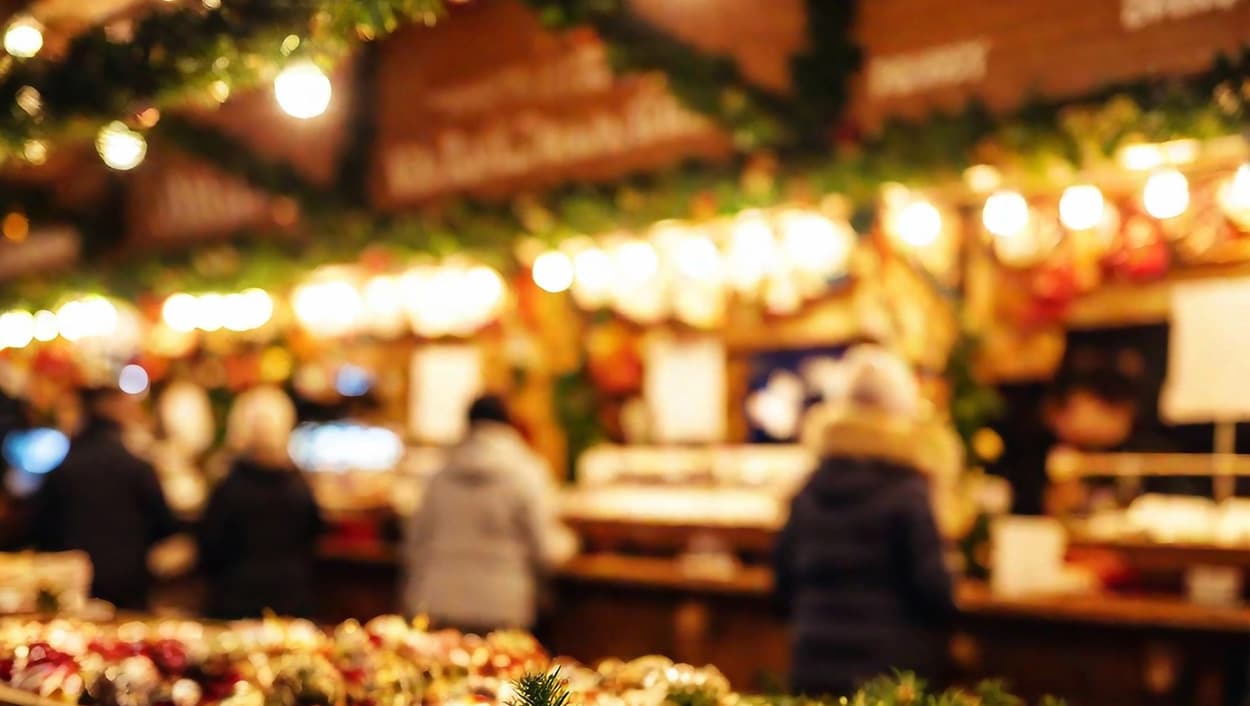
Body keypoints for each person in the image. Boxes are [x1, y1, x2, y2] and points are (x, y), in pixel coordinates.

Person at [774, 346, 955, 697]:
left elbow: (782, 584)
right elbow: (934, 589)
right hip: (891, 674)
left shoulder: (810, 486)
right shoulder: (909, 488)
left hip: (813, 665)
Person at [402, 395, 575, 634]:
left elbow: (414, 541)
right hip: (504, 607)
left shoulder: (439, 472)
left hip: (437, 602)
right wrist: (572, 543)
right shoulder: (528, 473)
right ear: (509, 423)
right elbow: (546, 549)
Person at [30, 386, 179, 611]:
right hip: (129, 584)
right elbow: (164, 524)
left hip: (75, 585)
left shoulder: (64, 468)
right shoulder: (137, 467)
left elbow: (41, 526)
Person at [197, 386, 323, 619]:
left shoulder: (229, 485)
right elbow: (314, 534)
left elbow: (210, 544)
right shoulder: (298, 485)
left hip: (236, 601)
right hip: (291, 600)